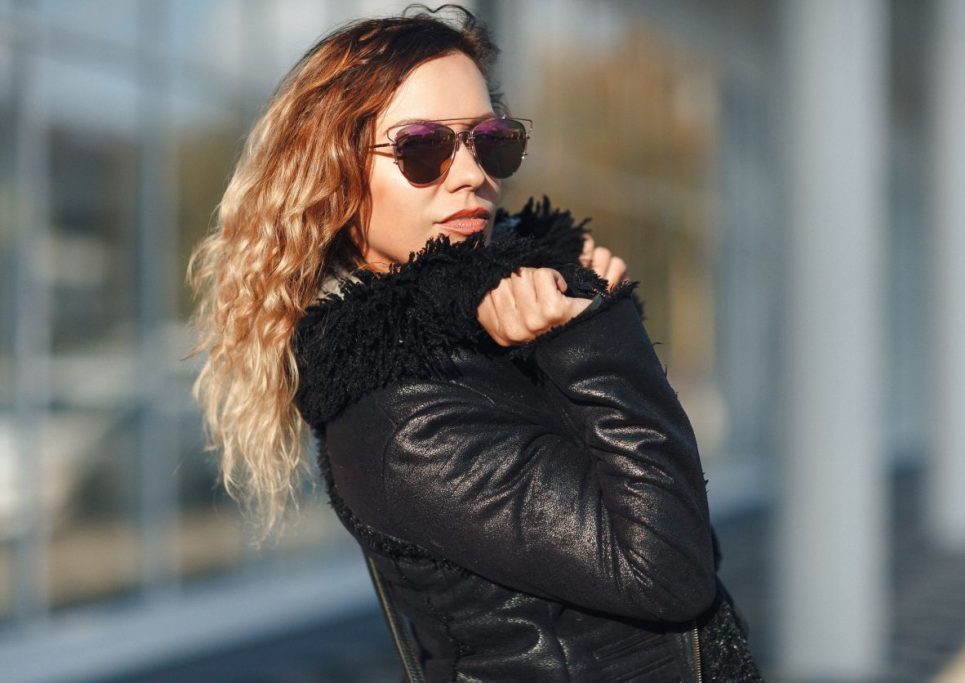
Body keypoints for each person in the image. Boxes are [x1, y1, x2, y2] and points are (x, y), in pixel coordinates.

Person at [188, 5, 762, 681]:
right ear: (339, 178)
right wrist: (596, 334)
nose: (472, 174)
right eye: (423, 149)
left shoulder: (501, 333)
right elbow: (667, 567)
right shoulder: (401, 413)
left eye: (489, 143)